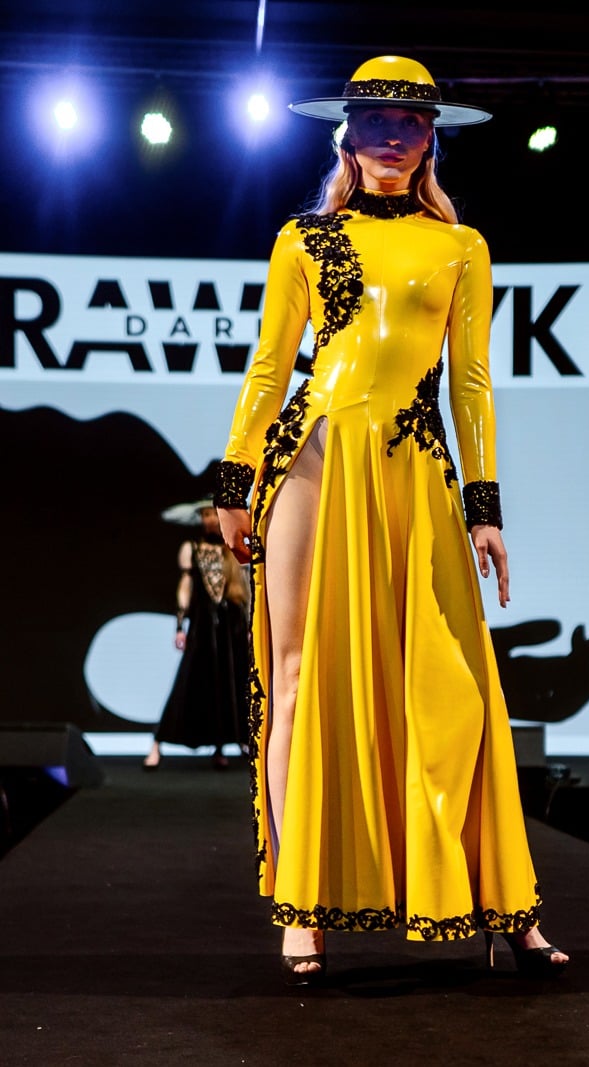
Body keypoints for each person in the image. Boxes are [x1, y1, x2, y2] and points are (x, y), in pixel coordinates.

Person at [213, 54, 569, 985]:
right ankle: (302, 905)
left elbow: (473, 385)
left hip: (414, 469)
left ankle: (503, 901)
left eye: (411, 120)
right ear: (348, 132)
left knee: (459, 685)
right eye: (376, 118)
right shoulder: (304, 239)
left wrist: (485, 507)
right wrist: (234, 481)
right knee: (297, 676)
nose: (394, 135)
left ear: (431, 136)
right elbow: (269, 367)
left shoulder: (461, 247)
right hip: (314, 460)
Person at [143, 499, 250, 771]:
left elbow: (244, 590)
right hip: (202, 624)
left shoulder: (231, 550)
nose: (210, 519)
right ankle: (157, 743)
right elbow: (186, 587)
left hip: (230, 625)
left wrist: (249, 626)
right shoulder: (191, 549)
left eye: (213, 514)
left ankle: (221, 746)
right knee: (189, 680)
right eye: (205, 515)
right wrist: (180, 625)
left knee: (229, 683)